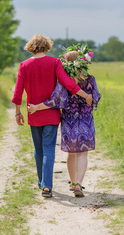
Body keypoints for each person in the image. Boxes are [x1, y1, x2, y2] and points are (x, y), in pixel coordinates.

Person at [12, 34, 92, 198]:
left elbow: (18, 91)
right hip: (51, 113)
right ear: (47, 46)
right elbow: (67, 83)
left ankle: (43, 183)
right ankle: (46, 186)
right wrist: (85, 95)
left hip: (33, 113)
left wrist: (17, 112)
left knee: (38, 149)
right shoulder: (54, 62)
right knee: (48, 149)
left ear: (31, 47)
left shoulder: (24, 65)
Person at [28, 45, 101, 197]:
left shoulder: (64, 83)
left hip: (69, 122)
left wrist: (36, 107)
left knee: (72, 154)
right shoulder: (91, 79)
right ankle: (79, 184)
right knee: (83, 154)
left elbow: (54, 101)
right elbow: (96, 99)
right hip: (86, 121)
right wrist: (88, 99)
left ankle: (73, 183)